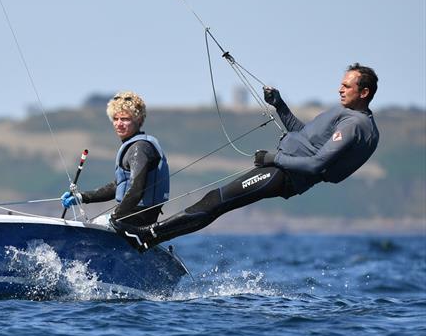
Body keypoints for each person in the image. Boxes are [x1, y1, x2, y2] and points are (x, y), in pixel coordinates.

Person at [113, 63, 380, 248]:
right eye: (341, 84)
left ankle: (146, 237)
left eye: (347, 86)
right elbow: (304, 137)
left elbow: (316, 164)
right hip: (282, 171)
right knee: (217, 202)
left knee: (216, 200)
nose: (340, 89)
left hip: (283, 174)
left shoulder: (354, 125)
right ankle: (149, 239)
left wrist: (272, 159)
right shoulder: (348, 116)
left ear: (364, 92)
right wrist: (280, 105)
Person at [61, 91, 170, 227]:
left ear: (138, 120)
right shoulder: (133, 146)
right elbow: (119, 185)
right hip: (132, 218)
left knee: (97, 223)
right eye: (115, 119)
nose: (119, 124)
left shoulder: (139, 148)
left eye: (125, 119)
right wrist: (81, 197)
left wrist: (115, 218)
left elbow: (136, 189)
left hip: (137, 220)